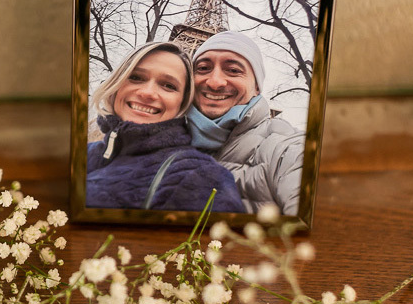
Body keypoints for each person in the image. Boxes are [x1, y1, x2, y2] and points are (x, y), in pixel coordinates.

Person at [87, 42, 244, 213]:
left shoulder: (201, 175)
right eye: (136, 77)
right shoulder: (86, 152)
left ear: (183, 103)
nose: (147, 93)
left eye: (168, 86)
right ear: (116, 83)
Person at [186, 31, 305, 216]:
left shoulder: (285, 148)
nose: (215, 82)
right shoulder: (163, 141)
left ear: (257, 87)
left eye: (233, 70)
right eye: (202, 68)